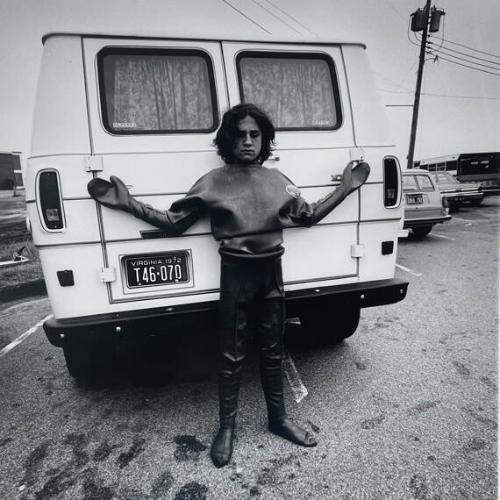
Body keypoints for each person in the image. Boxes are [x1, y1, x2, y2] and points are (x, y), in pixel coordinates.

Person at [87, 103, 370, 468]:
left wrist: (345, 189)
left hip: (272, 273)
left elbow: (308, 216)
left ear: (264, 139)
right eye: (240, 134)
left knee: (272, 349)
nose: (248, 141)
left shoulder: (276, 179)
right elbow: (175, 222)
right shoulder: (213, 182)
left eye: (255, 134)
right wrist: (128, 205)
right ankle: (227, 428)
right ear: (227, 140)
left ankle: (279, 419)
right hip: (236, 274)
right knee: (231, 353)